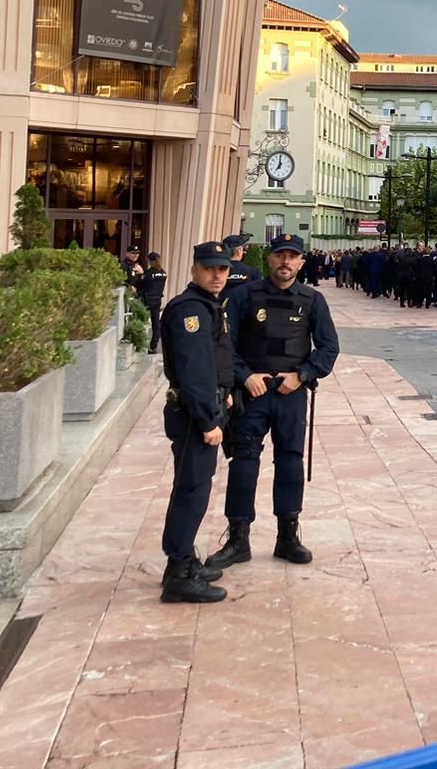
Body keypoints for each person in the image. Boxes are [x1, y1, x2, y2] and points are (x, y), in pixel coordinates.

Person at [204, 234, 338, 571]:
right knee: (244, 463)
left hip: (290, 393)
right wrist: (244, 376)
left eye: (293, 257)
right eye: (280, 256)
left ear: (301, 263)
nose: (285, 262)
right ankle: (238, 539)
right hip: (253, 394)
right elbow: (223, 345)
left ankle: (287, 536)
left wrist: (303, 375)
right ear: (270, 259)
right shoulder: (243, 296)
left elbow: (328, 348)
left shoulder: (312, 300)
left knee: (291, 462)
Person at [157, 241, 234, 604]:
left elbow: (216, 359)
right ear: (194, 270)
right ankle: (179, 571)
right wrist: (208, 421)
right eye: (209, 269)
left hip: (206, 408)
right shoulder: (190, 310)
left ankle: (184, 561)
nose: (217, 275)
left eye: (222, 269)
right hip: (193, 416)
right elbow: (194, 372)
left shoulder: (208, 306)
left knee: (196, 487)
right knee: (191, 490)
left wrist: (227, 390)